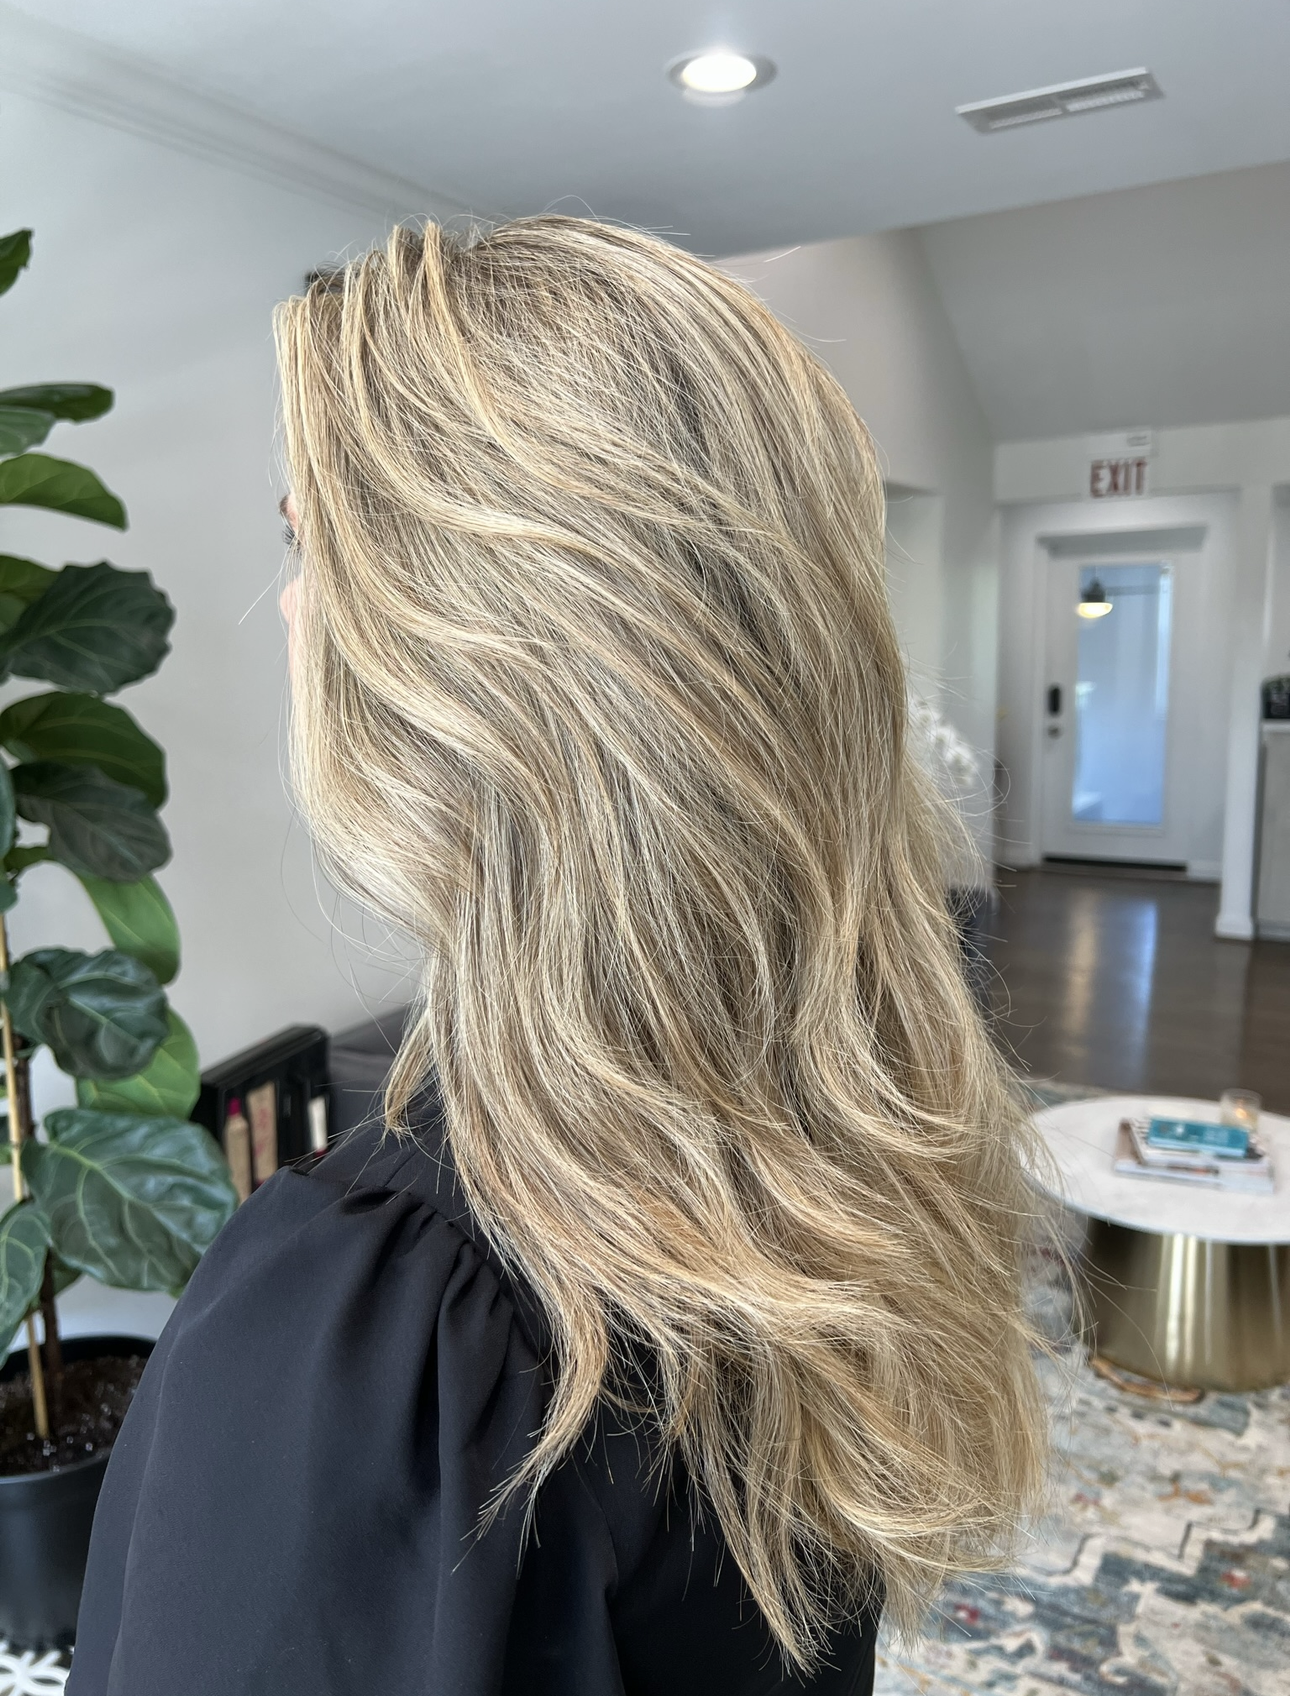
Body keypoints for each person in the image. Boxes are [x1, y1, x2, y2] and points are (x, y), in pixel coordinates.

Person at [69, 218, 1047, 1695]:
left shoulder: (369, 1337)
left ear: (467, 663)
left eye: (307, 542)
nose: (290, 602)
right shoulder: (833, 1157)